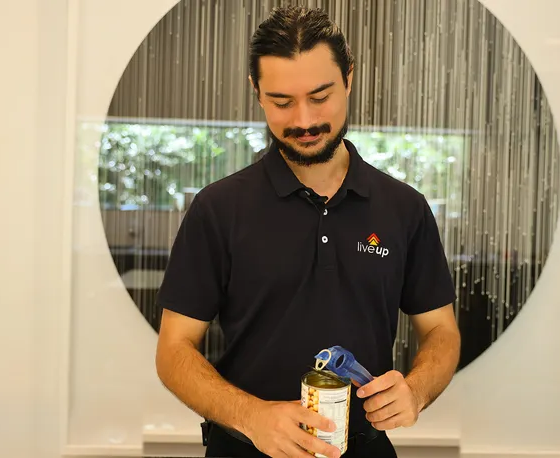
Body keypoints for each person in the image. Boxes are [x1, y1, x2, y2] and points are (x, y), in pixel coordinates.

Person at [154, 5, 461, 458]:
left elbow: (441, 331)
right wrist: (251, 416)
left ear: (349, 79)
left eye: (320, 96)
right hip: (244, 448)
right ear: (256, 92)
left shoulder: (404, 208)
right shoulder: (218, 209)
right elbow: (174, 351)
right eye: (282, 102)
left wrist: (415, 390)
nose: (303, 120)